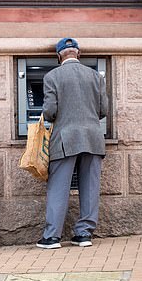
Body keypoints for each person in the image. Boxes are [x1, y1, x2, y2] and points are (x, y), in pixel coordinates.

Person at [36, 38, 108, 249]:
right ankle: (84, 234)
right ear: (79, 53)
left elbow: (50, 112)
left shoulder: (52, 76)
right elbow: (103, 110)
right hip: (93, 138)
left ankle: (52, 237)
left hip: (66, 139)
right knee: (90, 187)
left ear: (59, 56)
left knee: (59, 187)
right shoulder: (95, 76)